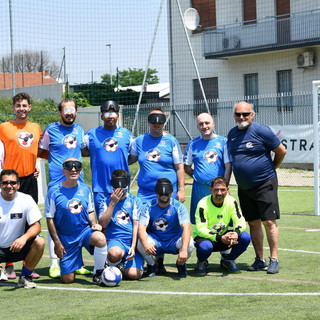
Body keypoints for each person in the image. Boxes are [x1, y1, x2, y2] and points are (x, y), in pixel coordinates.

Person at [227, 101, 287, 274]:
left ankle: (274, 259)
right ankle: (259, 259)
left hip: (264, 183)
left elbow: (281, 151)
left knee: (268, 222)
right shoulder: (232, 134)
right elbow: (231, 161)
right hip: (244, 187)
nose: (242, 117)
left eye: (246, 114)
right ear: (234, 116)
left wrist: (272, 168)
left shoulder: (261, 130)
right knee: (253, 223)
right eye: (238, 114)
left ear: (252, 115)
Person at [38, 98, 90, 278]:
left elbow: (83, 149)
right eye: (66, 110)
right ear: (60, 112)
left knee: (79, 222)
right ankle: (54, 263)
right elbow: (41, 151)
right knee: (56, 223)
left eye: (72, 110)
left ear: (76, 112)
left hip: (77, 183)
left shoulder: (79, 129)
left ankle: (78, 262)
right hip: (57, 183)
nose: (69, 113)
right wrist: (55, 165)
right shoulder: (50, 129)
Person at [45, 158, 108, 284]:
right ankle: (75, 264)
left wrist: (94, 224)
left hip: (84, 232)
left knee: (100, 238)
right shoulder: (54, 191)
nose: (73, 169)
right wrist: (57, 243)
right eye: (69, 166)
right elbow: (49, 218)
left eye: (77, 166)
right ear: (63, 171)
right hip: (66, 237)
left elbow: (90, 211)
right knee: (67, 280)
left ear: (80, 170)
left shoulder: (85, 189)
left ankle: (99, 272)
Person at [0, 92, 42, 279]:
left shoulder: (35, 128)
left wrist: (35, 168)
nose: (21, 109)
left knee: (29, 221)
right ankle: (8, 265)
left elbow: (37, 151)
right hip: (10, 182)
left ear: (29, 107)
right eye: (18, 106)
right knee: (7, 220)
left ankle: (27, 264)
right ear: (13, 108)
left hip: (29, 179)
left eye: (25, 105)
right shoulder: (4, 127)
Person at [82, 100, 134, 214]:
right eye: (107, 113)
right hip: (100, 188)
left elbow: (134, 156)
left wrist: (122, 162)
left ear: (118, 116)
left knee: (121, 222)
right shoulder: (91, 134)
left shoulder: (127, 134)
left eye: (113, 113)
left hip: (122, 186)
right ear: (101, 116)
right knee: (103, 223)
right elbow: (82, 151)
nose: (110, 116)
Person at [193, 176, 250, 274]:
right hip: (206, 238)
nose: (219, 193)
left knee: (245, 237)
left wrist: (236, 233)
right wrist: (220, 238)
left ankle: (228, 260)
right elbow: (201, 228)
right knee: (206, 247)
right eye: (216, 190)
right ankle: (201, 262)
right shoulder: (203, 203)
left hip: (223, 237)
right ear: (210, 190)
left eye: (222, 190)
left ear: (227, 190)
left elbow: (241, 221)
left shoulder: (231, 201)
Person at [137, 178, 194, 278]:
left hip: (174, 240)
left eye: (167, 193)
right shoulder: (148, 206)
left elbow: (186, 228)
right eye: (161, 193)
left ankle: (180, 264)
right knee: (140, 242)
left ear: (171, 192)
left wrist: (184, 250)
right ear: (156, 192)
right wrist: (146, 244)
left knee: (189, 243)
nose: (164, 196)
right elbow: (141, 227)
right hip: (156, 240)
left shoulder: (179, 207)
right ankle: (153, 264)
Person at [184, 112, 232, 224]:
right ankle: (202, 241)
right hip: (199, 188)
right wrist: (198, 177)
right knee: (201, 219)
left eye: (207, 123)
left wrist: (224, 186)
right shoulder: (192, 144)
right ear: (198, 127)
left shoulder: (223, 142)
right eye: (201, 124)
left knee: (221, 219)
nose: (204, 126)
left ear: (213, 124)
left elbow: (228, 166)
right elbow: (186, 167)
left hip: (218, 189)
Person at [0, 169, 45, 288]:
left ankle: (25, 277)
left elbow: (37, 226)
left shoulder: (26, 199)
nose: (9, 186)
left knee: (39, 242)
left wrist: (24, 238)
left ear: (18, 185)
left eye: (13, 183)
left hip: (17, 246)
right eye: (5, 183)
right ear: (0, 184)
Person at [130, 108, 185, 204]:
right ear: (148, 122)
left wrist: (181, 190)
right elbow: (130, 159)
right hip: (145, 193)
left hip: (167, 192)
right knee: (143, 219)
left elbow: (179, 168)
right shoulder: (138, 141)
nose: (157, 123)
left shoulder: (171, 141)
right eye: (153, 119)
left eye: (160, 120)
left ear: (164, 122)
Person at [98, 170, 144, 281]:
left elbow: (137, 225)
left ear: (127, 184)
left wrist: (133, 246)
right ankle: (114, 263)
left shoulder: (135, 201)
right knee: (115, 253)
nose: (120, 189)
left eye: (123, 185)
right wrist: (113, 203)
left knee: (134, 275)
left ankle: (122, 267)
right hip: (115, 241)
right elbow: (103, 223)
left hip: (132, 243)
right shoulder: (105, 201)